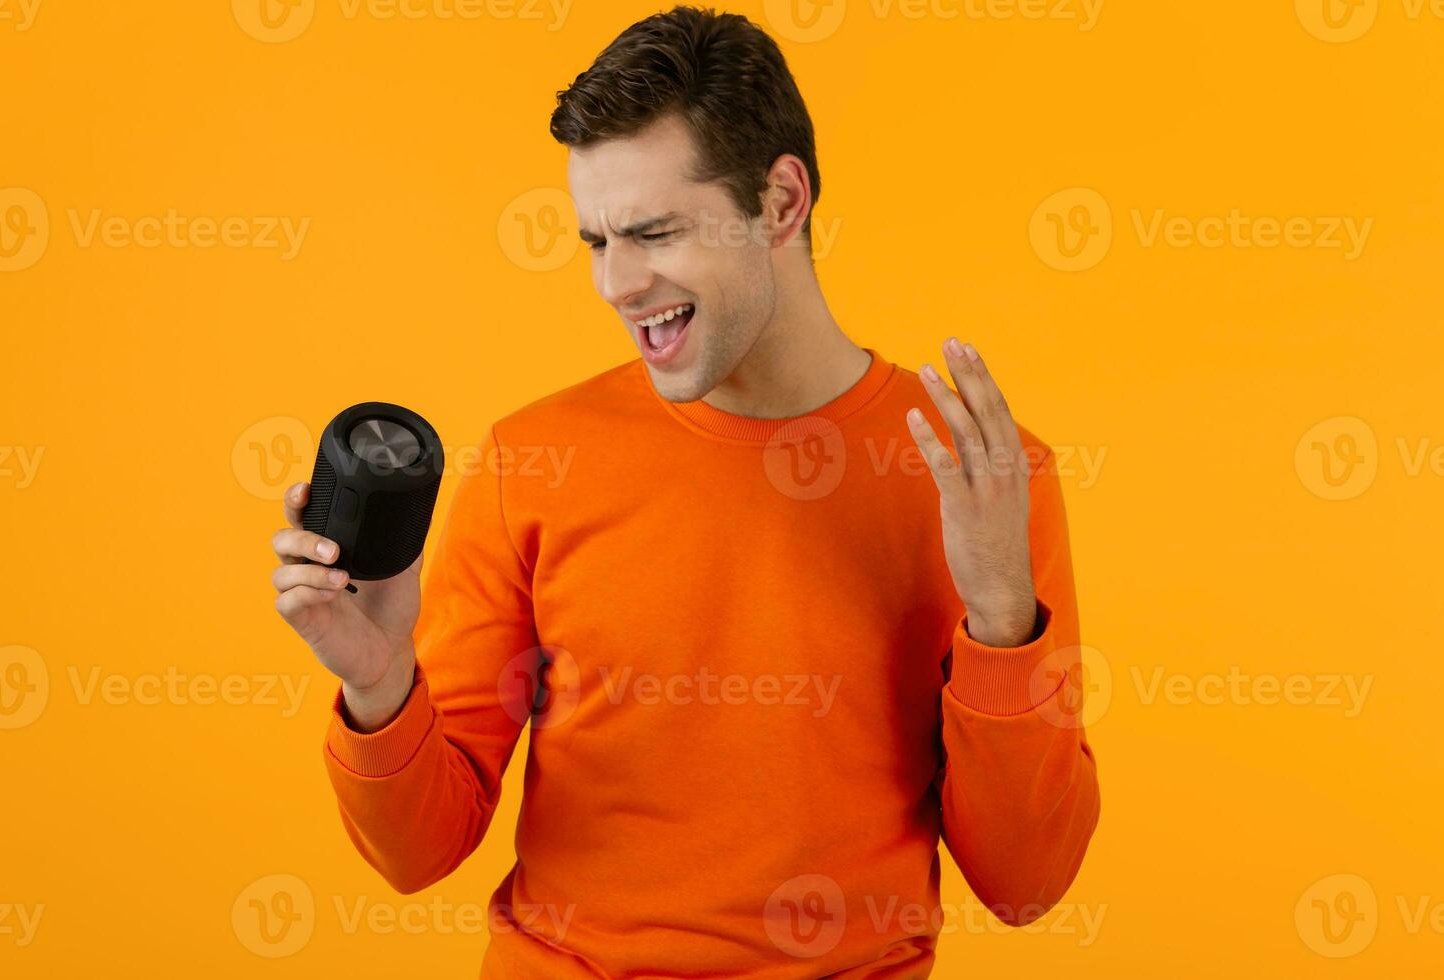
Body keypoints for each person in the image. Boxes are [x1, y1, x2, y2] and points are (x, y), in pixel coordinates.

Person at [271, 6, 1098, 976]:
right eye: (596, 240)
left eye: (653, 231)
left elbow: (1026, 882)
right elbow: (417, 852)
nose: (616, 283)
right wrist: (378, 682)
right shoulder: (531, 461)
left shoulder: (986, 476)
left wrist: (1004, 615)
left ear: (781, 202)